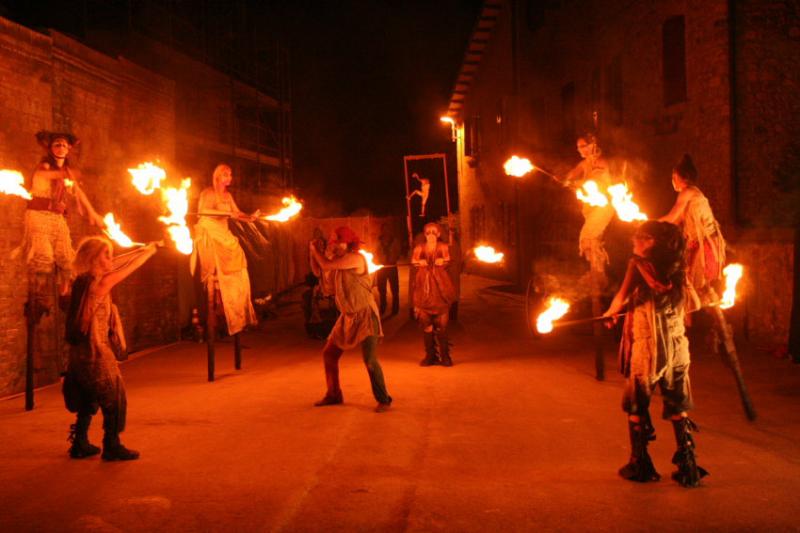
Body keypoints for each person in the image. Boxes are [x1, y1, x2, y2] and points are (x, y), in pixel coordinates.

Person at [602, 221, 708, 487]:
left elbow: (620, 298)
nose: (635, 240)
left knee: (636, 400)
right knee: (677, 401)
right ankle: (688, 467)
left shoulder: (638, 264)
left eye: (642, 237)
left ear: (653, 242)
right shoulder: (678, 266)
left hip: (648, 345)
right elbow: (692, 305)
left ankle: (641, 464)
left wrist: (610, 313)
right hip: (676, 346)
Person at [62, 237, 160, 461]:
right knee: (115, 397)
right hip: (95, 352)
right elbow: (127, 269)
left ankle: (80, 443)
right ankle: (112, 445)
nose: (111, 259)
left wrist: (140, 249)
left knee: (89, 396)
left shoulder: (80, 281)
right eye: (106, 254)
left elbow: (116, 264)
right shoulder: (99, 284)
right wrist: (148, 252)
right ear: (93, 258)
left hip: (78, 356)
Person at [308, 226, 392, 412]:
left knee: (370, 360)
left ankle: (383, 398)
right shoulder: (338, 261)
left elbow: (326, 265)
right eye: (332, 242)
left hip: (365, 315)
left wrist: (316, 252)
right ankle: (334, 393)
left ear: (348, 242)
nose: (334, 245)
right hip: (347, 316)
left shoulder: (355, 258)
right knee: (329, 354)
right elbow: (318, 271)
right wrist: (311, 252)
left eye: (337, 241)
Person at [14, 131, 104, 297]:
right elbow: (43, 175)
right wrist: (67, 174)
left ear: (68, 149)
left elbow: (78, 192)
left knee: (68, 260)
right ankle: (38, 294)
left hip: (57, 218)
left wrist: (93, 214)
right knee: (44, 258)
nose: (61, 147)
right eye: (57, 144)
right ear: (51, 148)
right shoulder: (45, 166)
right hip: (38, 216)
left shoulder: (67, 173)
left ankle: (66, 294)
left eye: (64, 145)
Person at [192, 164, 258, 335]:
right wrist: (227, 215)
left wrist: (250, 217)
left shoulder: (228, 196)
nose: (229, 177)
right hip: (211, 230)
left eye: (230, 174)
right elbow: (203, 211)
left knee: (238, 253)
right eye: (225, 174)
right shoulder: (208, 193)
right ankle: (217, 299)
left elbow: (237, 213)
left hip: (224, 233)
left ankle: (235, 298)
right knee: (221, 250)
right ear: (217, 177)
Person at [659, 154, 726, 305]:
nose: (672, 181)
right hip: (700, 244)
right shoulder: (690, 194)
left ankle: (706, 321)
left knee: (697, 287)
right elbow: (674, 222)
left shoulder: (687, 192)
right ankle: (702, 320)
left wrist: (649, 222)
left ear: (681, 177)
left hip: (706, 245)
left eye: (673, 177)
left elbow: (671, 217)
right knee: (692, 286)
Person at [562, 132, 615, 277]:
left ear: (593, 145)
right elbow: (572, 173)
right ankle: (596, 279)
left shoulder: (601, 162)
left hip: (603, 207)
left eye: (583, 146)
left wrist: (577, 184)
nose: (580, 150)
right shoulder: (584, 163)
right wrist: (566, 179)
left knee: (588, 238)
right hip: (590, 209)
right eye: (578, 147)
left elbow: (594, 183)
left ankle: (597, 277)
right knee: (592, 243)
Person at [412, 222, 456, 366]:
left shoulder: (443, 246)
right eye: (428, 233)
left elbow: (448, 259)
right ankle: (430, 355)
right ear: (425, 235)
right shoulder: (420, 247)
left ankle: (445, 356)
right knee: (426, 325)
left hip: (439, 285)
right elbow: (414, 260)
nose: (431, 236)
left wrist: (442, 260)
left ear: (438, 234)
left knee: (442, 327)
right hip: (424, 286)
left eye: (433, 233)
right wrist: (420, 261)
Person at [375, 222, 401, 316]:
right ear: (382, 231)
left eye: (388, 229)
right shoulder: (378, 241)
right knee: (381, 289)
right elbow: (374, 252)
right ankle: (383, 307)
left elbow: (398, 252)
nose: (386, 231)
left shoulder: (395, 241)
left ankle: (395, 308)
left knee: (395, 289)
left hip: (392, 266)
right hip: (381, 267)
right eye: (384, 229)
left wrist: (392, 258)